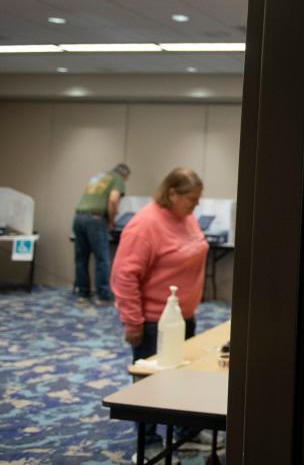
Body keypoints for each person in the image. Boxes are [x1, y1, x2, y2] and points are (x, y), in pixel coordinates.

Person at [110, 167, 210, 455]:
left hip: (184, 316)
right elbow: (124, 276)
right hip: (154, 322)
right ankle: (148, 443)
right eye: (192, 198)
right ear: (172, 194)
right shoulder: (145, 225)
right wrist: (132, 322)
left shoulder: (186, 217)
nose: (197, 204)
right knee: (149, 387)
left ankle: (187, 432)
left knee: (185, 378)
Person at [72, 162, 129, 303]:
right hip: (96, 219)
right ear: (125, 175)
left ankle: (83, 292)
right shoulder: (118, 179)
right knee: (102, 259)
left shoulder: (98, 177)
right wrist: (111, 220)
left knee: (81, 258)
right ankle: (103, 295)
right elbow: (113, 200)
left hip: (78, 218)